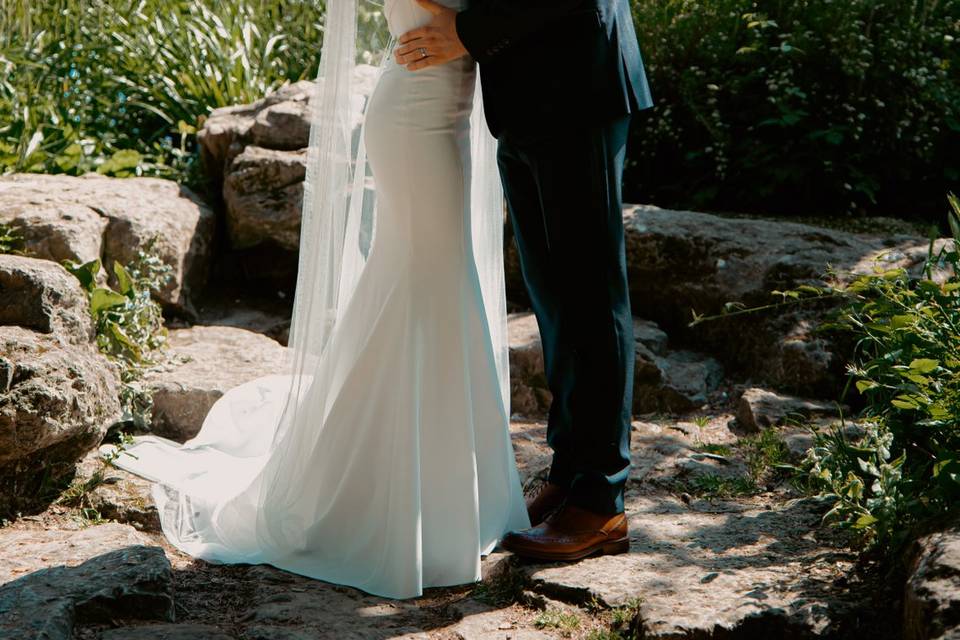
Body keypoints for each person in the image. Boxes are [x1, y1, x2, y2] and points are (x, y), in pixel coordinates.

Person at [100, 0, 529, 600]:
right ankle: (386, 499)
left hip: (440, 113)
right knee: (424, 288)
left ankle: (439, 493)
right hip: (417, 117)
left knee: (429, 289)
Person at [393, 0, 654, 560]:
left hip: (579, 84)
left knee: (590, 293)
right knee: (555, 300)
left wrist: (467, 30)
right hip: (523, 97)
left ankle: (602, 502)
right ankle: (570, 470)